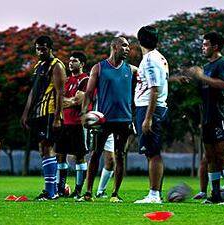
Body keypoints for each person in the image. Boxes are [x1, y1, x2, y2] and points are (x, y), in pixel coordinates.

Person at [78, 36, 137, 203]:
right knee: (95, 154)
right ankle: (88, 193)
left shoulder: (131, 69)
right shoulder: (98, 68)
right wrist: (84, 113)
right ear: (114, 47)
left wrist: (172, 79)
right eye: (124, 45)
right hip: (103, 120)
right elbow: (89, 93)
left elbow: (149, 80)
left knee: (120, 155)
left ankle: (115, 194)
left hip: (124, 119)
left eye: (128, 46)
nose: (128, 49)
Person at [185, 32, 224, 205]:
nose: (203, 47)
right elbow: (205, 88)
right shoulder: (207, 66)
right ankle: (215, 195)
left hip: (222, 114)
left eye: (205, 44)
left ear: (215, 47)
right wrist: (190, 80)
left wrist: (202, 77)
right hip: (208, 117)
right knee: (210, 156)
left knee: (223, 154)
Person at [20, 35, 66, 200]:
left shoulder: (57, 66)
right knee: (42, 149)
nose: (40, 52)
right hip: (38, 113)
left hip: (50, 112)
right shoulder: (39, 66)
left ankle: (51, 192)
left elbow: (61, 92)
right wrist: (25, 113)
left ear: (50, 48)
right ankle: (51, 190)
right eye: (38, 49)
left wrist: (57, 117)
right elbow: (33, 91)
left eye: (43, 49)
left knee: (47, 147)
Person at [132, 26, 168, 204]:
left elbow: (154, 90)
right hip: (152, 107)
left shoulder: (149, 60)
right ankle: (156, 194)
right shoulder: (159, 57)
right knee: (153, 153)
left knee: (152, 153)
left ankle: (154, 195)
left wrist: (148, 117)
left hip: (149, 108)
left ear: (139, 41)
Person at [55, 51, 89, 198]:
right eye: (69, 60)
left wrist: (62, 102)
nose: (70, 63)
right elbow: (62, 100)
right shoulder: (67, 80)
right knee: (60, 156)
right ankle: (60, 189)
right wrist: (66, 102)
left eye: (74, 61)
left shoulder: (85, 79)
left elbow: (77, 101)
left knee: (79, 157)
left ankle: (78, 190)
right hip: (64, 123)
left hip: (78, 124)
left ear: (81, 64)